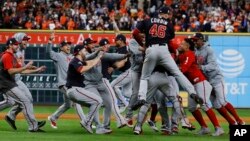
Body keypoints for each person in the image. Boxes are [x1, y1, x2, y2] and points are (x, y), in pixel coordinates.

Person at [131, 6, 203, 110]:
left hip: (151, 49)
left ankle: (142, 97)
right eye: (167, 14)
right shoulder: (169, 24)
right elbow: (169, 40)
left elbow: (135, 33)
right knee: (177, 73)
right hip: (164, 50)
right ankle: (192, 92)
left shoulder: (147, 21)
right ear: (163, 14)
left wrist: (143, 45)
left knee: (144, 77)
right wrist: (175, 51)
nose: (168, 16)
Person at [192, 32, 245, 125]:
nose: (194, 42)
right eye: (193, 40)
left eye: (196, 40)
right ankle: (232, 123)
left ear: (201, 40)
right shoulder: (196, 51)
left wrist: (202, 67)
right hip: (207, 81)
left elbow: (213, 65)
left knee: (222, 101)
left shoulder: (208, 50)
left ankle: (239, 120)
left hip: (216, 79)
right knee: (216, 105)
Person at [83, 37, 131, 134]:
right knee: (97, 102)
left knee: (108, 103)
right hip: (90, 83)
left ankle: (104, 125)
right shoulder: (84, 53)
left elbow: (112, 56)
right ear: (86, 45)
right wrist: (98, 52)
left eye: (93, 43)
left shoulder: (101, 53)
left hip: (100, 82)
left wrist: (124, 55)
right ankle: (98, 124)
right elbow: (87, 58)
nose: (93, 45)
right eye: (91, 43)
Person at [177, 38, 224, 136]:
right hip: (193, 86)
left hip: (200, 83)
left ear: (187, 46)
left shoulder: (189, 54)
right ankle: (204, 128)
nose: (180, 45)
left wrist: (174, 69)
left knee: (205, 104)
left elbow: (184, 69)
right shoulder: (181, 55)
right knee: (192, 107)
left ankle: (218, 128)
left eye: (182, 44)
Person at [0, 33, 46, 131]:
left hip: (11, 83)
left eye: (17, 44)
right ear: (10, 45)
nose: (17, 45)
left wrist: (36, 70)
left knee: (25, 101)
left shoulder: (12, 55)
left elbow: (22, 69)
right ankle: (33, 126)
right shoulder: (7, 56)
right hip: (6, 84)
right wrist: (26, 66)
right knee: (21, 101)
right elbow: (11, 71)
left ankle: (31, 125)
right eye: (15, 44)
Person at [46, 32, 85, 129]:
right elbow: (48, 52)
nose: (68, 47)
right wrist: (50, 41)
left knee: (68, 104)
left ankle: (53, 118)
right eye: (66, 45)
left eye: (69, 45)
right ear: (61, 47)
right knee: (76, 100)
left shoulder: (72, 57)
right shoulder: (58, 56)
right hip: (63, 83)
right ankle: (85, 122)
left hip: (70, 84)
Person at [65, 44, 103, 134]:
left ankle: (87, 121)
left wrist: (98, 56)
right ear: (79, 51)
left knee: (94, 104)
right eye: (84, 50)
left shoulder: (80, 61)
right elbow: (82, 69)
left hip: (75, 91)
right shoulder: (75, 61)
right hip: (74, 90)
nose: (85, 52)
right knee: (98, 101)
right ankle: (86, 122)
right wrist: (98, 57)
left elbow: (90, 63)